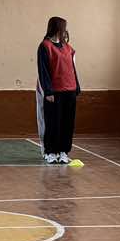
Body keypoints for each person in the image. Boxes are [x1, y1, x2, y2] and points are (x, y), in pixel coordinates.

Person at [36, 16, 80, 164]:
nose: (65, 30)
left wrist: (77, 87)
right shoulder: (45, 46)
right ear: (57, 28)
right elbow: (43, 71)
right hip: (54, 92)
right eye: (64, 27)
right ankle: (50, 152)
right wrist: (48, 91)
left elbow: (72, 69)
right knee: (52, 123)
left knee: (67, 124)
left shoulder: (68, 48)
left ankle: (63, 152)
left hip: (70, 91)